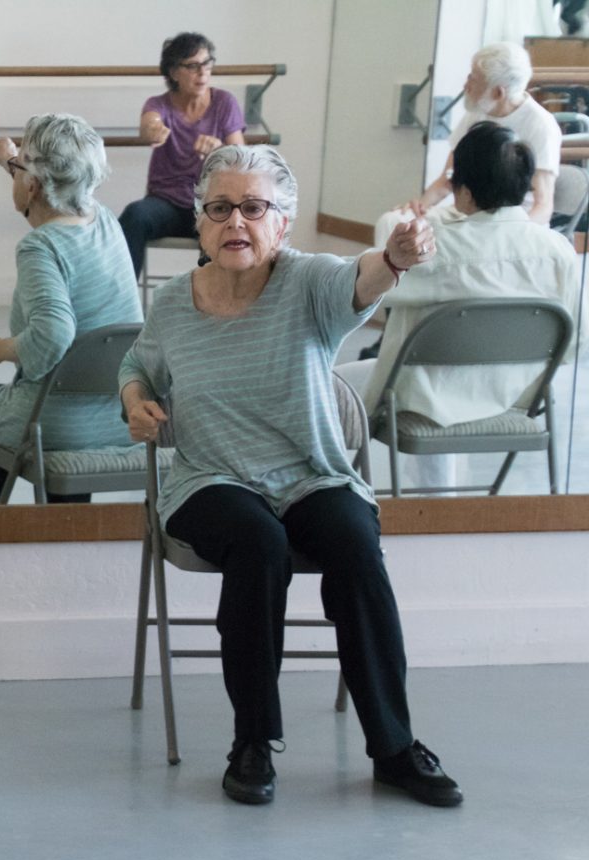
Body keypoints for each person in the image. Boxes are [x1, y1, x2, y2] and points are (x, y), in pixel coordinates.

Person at [120, 144, 463, 809]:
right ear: (199, 221)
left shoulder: (309, 282)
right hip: (209, 478)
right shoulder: (171, 302)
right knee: (257, 541)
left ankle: (394, 746)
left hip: (309, 472)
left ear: (283, 223)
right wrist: (136, 402)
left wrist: (394, 255)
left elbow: (364, 277)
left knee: (356, 543)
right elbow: (137, 364)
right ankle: (253, 740)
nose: (235, 223)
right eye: (219, 208)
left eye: (254, 207)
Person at [338, 122, 579, 490]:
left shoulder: (437, 248)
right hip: (517, 395)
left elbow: (373, 281)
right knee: (440, 374)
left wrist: (413, 218)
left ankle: (322, 500)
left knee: (327, 386)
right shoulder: (559, 250)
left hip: (424, 403)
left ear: (463, 192)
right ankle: (440, 503)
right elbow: (577, 344)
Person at [0, 114, 143, 504]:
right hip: (117, 415)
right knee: (65, 396)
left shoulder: (39, 247)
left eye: (22, 163)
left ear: (33, 184)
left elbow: (53, 336)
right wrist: (12, 161)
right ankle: (63, 534)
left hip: (58, 425)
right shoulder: (105, 220)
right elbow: (55, 185)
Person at [391, 42, 560, 230]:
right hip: (469, 211)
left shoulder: (541, 124)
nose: (466, 85)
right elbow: (448, 179)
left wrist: (512, 235)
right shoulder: (477, 112)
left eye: (473, 79)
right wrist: (420, 206)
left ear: (498, 92)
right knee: (394, 221)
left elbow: (543, 206)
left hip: (514, 218)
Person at [117, 32, 245, 277]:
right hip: (165, 204)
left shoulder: (224, 102)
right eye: (193, 66)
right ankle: (120, 305)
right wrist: (153, 129)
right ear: (174, 72)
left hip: (209, 204)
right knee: (135, 215)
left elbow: (242, 160)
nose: (203, 72)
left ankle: (216, 305)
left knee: (225, 224)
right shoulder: (159, 104)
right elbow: (149, 124)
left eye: (207, 63)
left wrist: (220, 149)